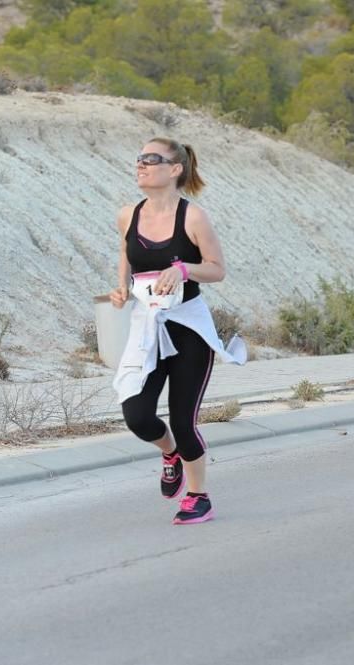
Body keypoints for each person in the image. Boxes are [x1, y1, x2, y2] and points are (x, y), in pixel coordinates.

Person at [110, 138, 245, 524]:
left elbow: (216, 268)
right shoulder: (127, 215)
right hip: (146, 329)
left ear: (175, 169)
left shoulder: (193, 218)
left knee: (184, 421)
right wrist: (122, 286)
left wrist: (184, 269)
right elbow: (125, 252)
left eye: (151, 159)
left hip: (188, 329)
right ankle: (169, 453)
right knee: (137, 414)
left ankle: (199, 496)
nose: (141, 164)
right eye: (139, 158)